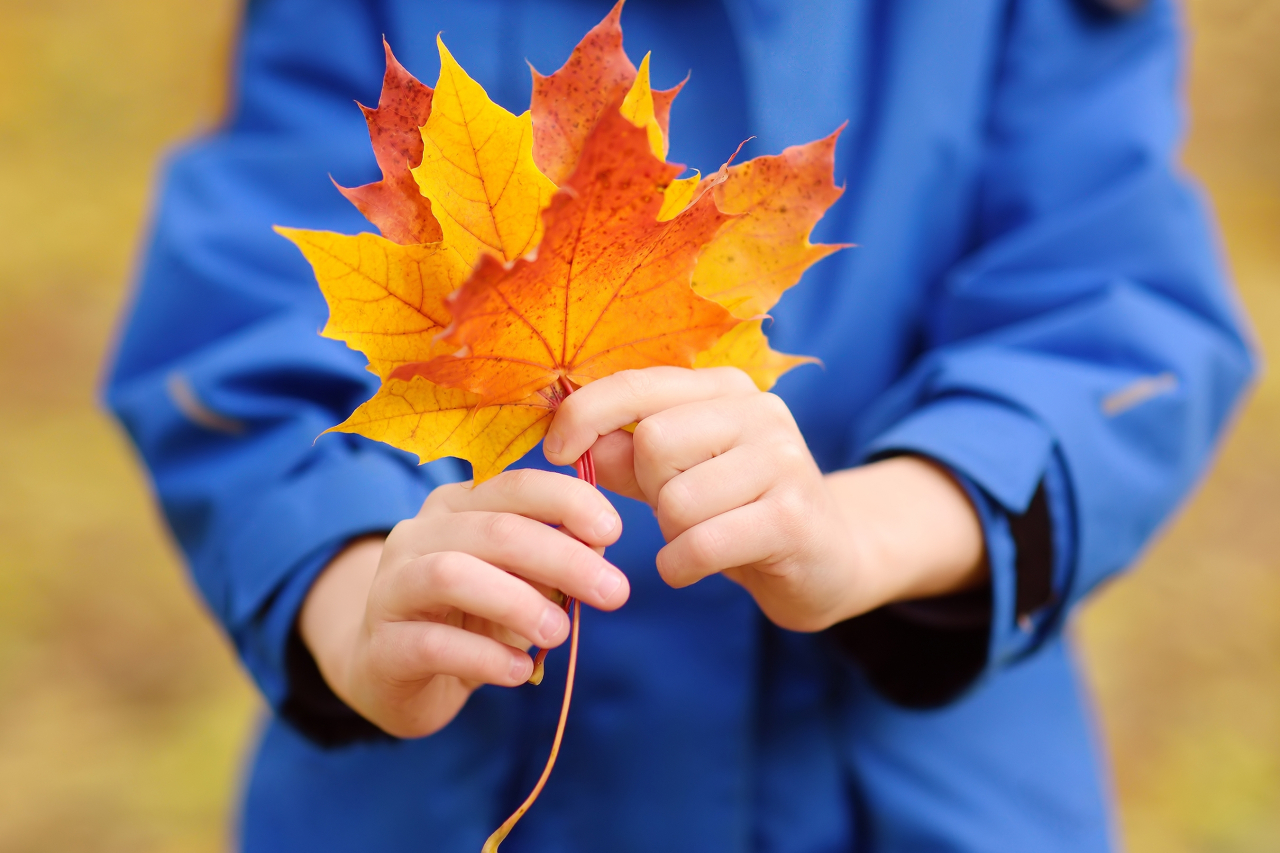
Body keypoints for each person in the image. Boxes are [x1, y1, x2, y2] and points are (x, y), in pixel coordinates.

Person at [105, 0, 1255, 850]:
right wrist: (352, 593)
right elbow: (240, 330)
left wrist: (860, 533)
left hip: (902, 801)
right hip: (442, 800)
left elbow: (1107, 319)